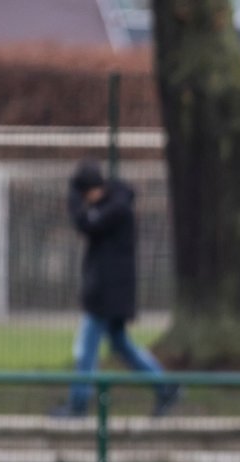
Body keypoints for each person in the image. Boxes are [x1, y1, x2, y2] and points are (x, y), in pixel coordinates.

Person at [54, 160, 180, 417]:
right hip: (108, 293)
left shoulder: (116, 210)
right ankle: (165, 387)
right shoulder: (111, 206)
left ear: (90, 190)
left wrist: (75, 205)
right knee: (121, 345)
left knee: (86, 349)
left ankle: (78, 405)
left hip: (107, 295)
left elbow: (87, 224)